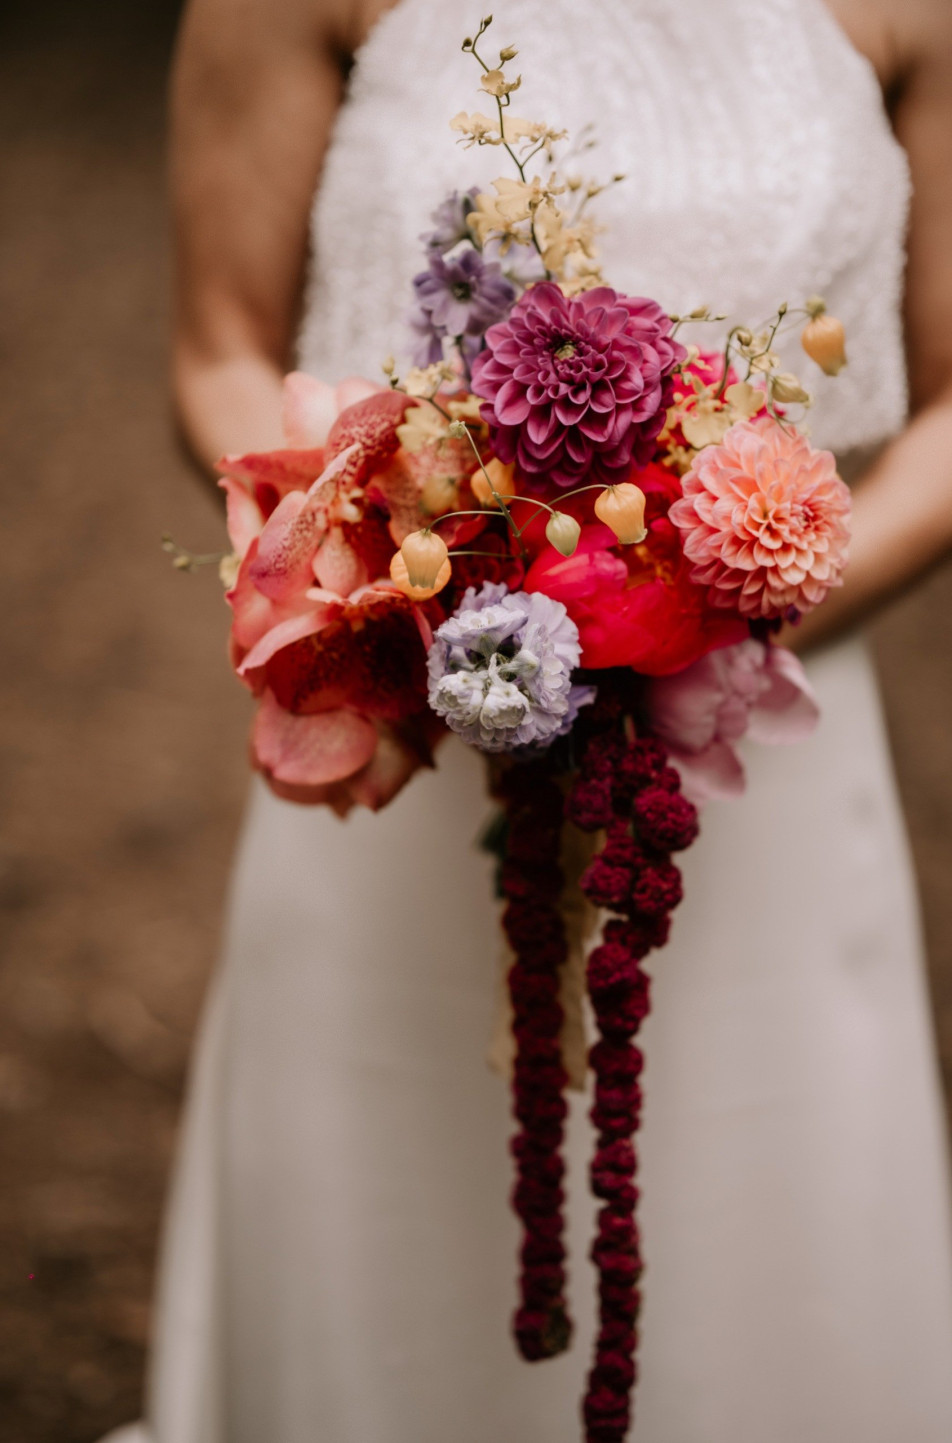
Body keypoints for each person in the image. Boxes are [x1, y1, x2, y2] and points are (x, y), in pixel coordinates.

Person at [108, 0, 952, 1438]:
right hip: (415, 706)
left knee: (755, 1233)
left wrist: (697, 621)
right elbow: (218, 348)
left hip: (762, 736)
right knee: (389, 1226)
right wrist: (386, 581)